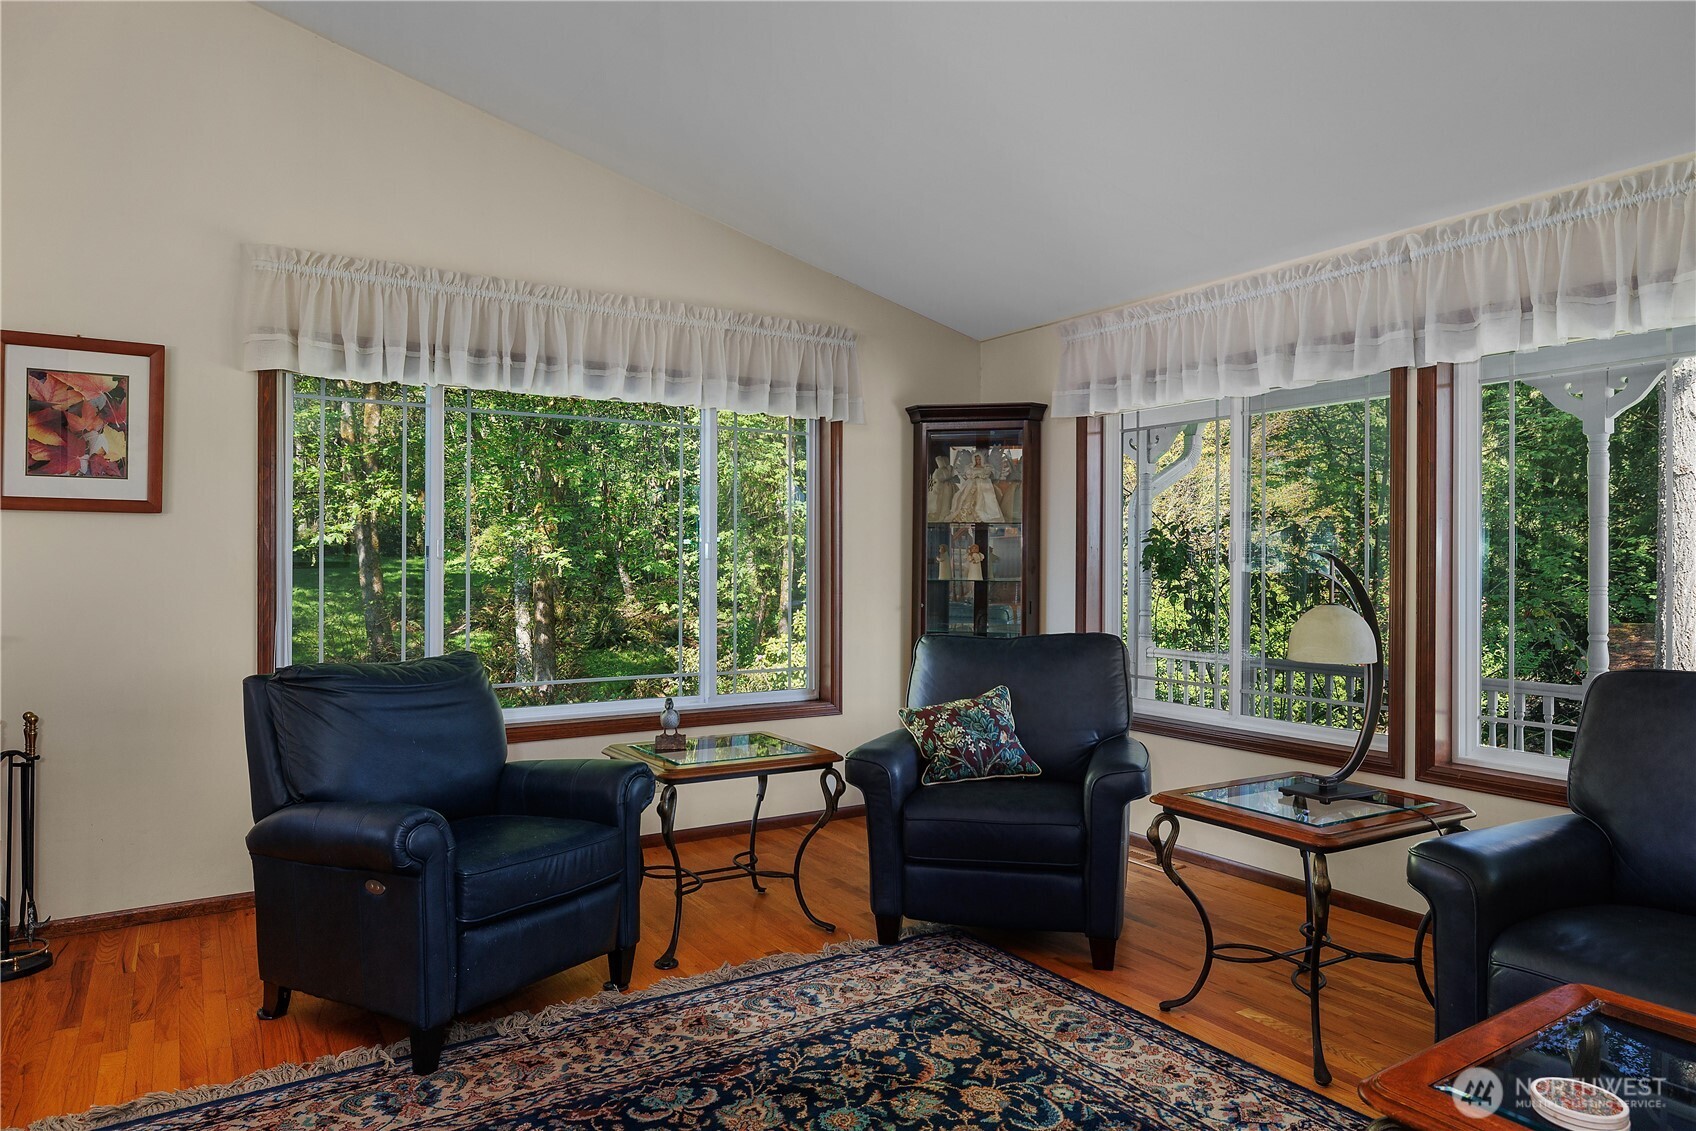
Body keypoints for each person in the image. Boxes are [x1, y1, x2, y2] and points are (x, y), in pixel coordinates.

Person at [946, 452, 1005, 523]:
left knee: (984, 500)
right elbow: (968, 475)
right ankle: (966, 515)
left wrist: (980, 476)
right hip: (971, 486)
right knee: (966, 499)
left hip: (983, 486)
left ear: (982, 460)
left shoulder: (986, 467)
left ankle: (982, 515)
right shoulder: (970, 467)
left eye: (979, 459)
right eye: (976, 460)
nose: (978, 461)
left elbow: (986, 475)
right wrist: (974, 476)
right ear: (974, 460)